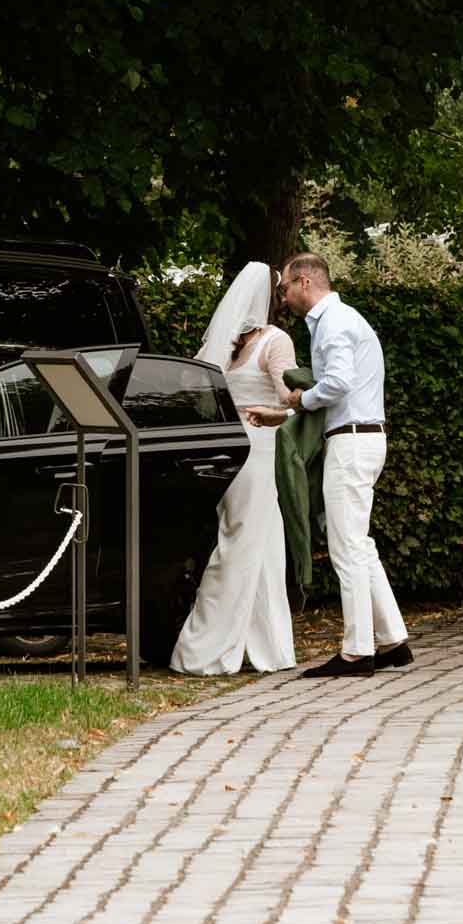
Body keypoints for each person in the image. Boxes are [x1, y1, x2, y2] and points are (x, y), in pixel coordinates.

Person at [250, 253, 411, 677]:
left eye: (284, 288)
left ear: (304, 282)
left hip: (353, 443)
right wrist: (283, 415)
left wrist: (299, 399)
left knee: (347, 547)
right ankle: (393, 640)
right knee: (361, 544)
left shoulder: (336, 322)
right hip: (359, 437)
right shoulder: (336, 321)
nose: (282, 297)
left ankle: (358, 651)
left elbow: (338, 385)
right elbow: (338, 397)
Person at [168, 262, 298, 675]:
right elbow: (285, 399)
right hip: (257, 448)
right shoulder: (276, 341)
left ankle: (269, 647)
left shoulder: (224, 348)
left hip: (226, 451)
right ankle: (206, 647)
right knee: (241, 544)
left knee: (264, 543)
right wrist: (306, 397)